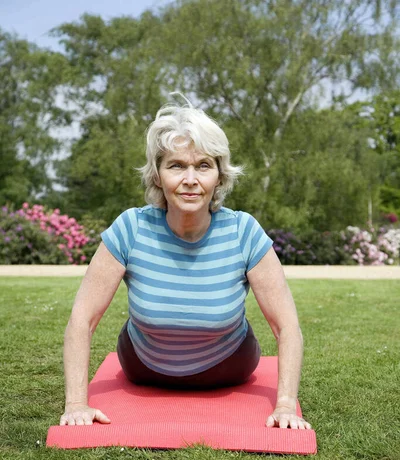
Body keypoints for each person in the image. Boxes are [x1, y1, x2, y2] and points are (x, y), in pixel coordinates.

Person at [60, 97, 311, 430]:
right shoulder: (131, 228)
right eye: (176, 165)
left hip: (229, 367)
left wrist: (285, 406)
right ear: (157, 176)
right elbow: (83, 318)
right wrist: (76, 404)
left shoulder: (243, 231)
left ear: (220, 177)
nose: (190, 178)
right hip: (143, 368)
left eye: (203, 166)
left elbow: (287, 326)